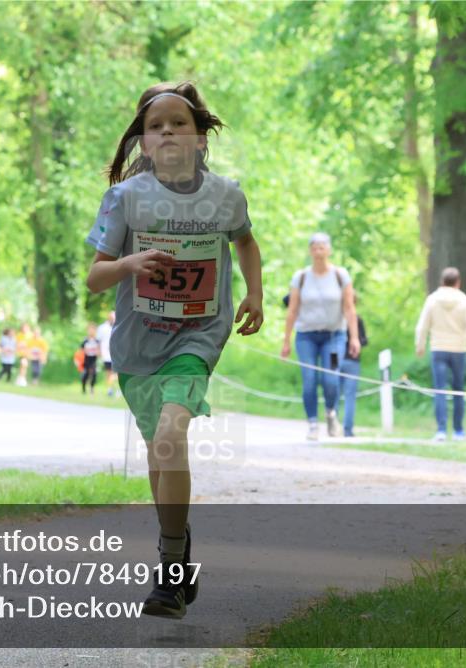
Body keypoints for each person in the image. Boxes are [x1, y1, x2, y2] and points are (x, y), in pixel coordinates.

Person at [85, 82, 263, 619]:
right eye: (155, 125)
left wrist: (255, 292)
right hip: (139, 343)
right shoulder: (124, 199)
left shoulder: (226, 195)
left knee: (170, 436)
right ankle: (178, 548)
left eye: (179, 123)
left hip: (198, 334)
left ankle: (168, 571)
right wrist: (129, 264)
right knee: (159, 453)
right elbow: (95, 277)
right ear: (142, 141)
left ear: (201, 138)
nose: (167, 131)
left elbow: (245, 241)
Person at [281, 233, 360, 440]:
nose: (318, 251)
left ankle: (331, 413)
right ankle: (313, 423)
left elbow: (350, 308)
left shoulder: (341, 275)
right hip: (306, 337)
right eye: (315, 247)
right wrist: (286, 340)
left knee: (331, 379)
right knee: (309, 380)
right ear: (310, 251)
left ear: (329, 250)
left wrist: (354, 337)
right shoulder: (301, 277)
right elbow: (292, 310)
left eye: (322, 247)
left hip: (334, 338)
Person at [415, 267, 466, 441]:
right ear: (458, 282)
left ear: (442, 281)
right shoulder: (465, 301)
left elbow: (423, 325)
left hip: (438, 348)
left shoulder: (432, 299)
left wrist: (420, 345)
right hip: (459, 349)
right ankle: (459, 431)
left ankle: (441, 430)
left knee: (439, 389)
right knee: (459, 390)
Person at [337, 299, 367, 438]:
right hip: (352, 359)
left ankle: (334, 425)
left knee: (334, 392)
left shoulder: (334, 320)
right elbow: (364, 340)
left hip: (335, 358)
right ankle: (347, 429)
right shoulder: (358, 320)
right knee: (349, 396)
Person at [95, 311, 118, 397]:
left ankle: (115, 389)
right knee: (108, 373)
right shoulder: (102, 328)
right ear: (109, 318)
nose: (113, 320)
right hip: (106, 355)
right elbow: (98, 341)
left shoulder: (118, 326)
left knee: (117, 373)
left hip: (116, 354)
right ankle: (110, 389)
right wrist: (98, 351)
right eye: (112, 318)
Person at [80, 324, 101, 395]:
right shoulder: (85, 340)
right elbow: (81, 350)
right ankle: (83, 388)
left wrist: (98, 352)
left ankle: (92, 388)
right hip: (86, 360)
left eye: (93, 330)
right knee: (86, 374)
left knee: (94, 374)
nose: (91, 332)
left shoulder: (97, 341)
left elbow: (99, 352)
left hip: (93, 360)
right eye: (90, 330)